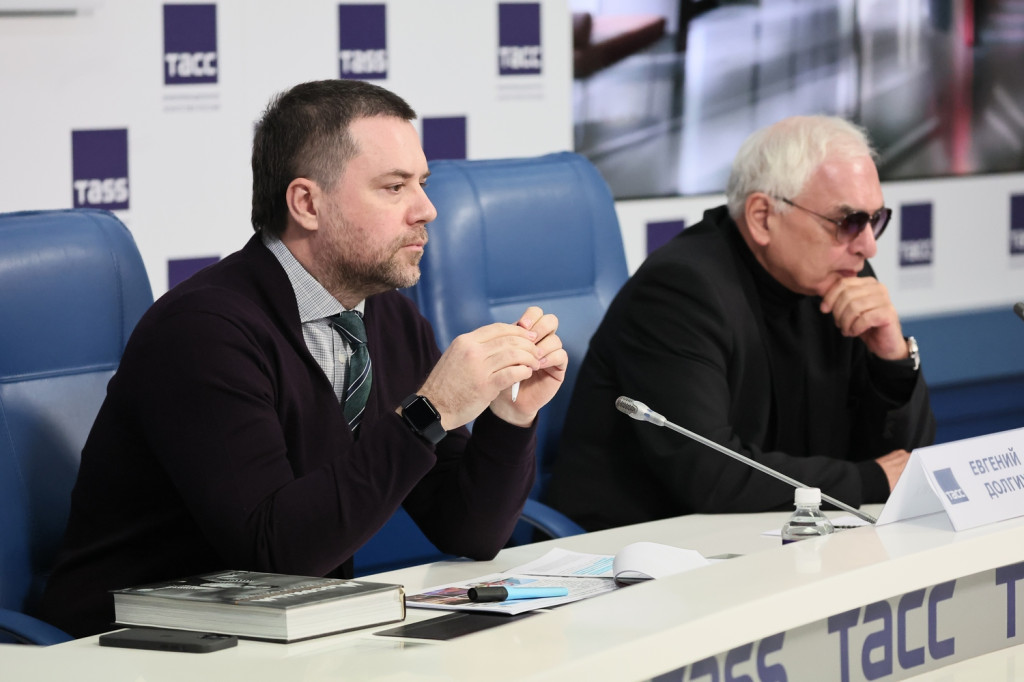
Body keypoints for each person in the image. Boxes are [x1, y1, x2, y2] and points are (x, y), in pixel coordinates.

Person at [39, 79, 567, 637]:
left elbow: (470, 530)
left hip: (280, 637)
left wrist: (511, 417)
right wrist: (428, 412)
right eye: (394, 188)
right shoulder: (202, 330)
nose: (427, 210)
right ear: (307, 204)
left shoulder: (389, 319)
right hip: (132, 646)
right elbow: (273, 555)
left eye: (423, 184)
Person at [546, 115, 935, 532]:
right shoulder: (680, 290)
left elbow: (906, 468)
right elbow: (710, 474)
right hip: (641, 547)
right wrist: (867, 481)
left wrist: (892, 359)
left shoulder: (844, 281)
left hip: (776, 536)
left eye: (875, 220)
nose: (868, 246)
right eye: (848, 222)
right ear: (763, 216)